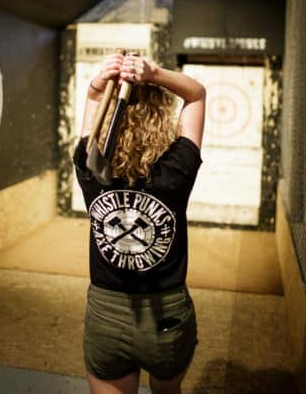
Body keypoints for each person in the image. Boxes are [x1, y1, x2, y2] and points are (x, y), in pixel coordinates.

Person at [73, 51, 206, 394]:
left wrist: (99, 83)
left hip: (106, 312)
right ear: (160, 114)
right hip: (166, 316)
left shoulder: (89, 162)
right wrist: (155, 73)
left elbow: (92, 101)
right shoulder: (177, 166)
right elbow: (196, 93)